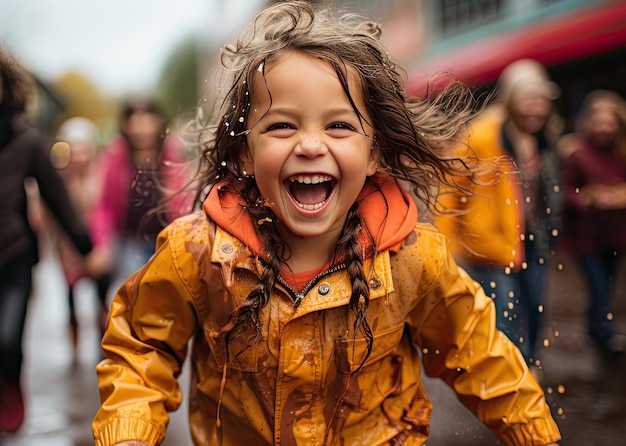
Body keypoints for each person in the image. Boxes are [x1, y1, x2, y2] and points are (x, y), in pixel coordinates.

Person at [92, 3, 561, 445]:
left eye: (339, 125)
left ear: (374, 150)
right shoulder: (195, 253)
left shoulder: (413, 257)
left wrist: (535, 432)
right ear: (244, 154)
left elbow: (476, 353)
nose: (311, 145)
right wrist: (129, 428)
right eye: (281, 126)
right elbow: (142, 348)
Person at [436, 58, 563, 369]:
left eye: (541, 100)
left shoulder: (547, 136)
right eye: (528, 99)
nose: (535, 107)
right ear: (511, 99)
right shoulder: (481, 135)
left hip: (533, 241)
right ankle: (509, 374)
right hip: (489, 245)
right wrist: (447, 244)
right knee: (506, 313)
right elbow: (450, 187)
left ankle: (528, 364)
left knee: (536, 305)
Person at [0, 46, 93, 433]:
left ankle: (9, 385)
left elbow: (57, 196)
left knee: (7, 338)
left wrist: (85, 245)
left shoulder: (27, 139)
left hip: (14, 255)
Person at [87, 98, 194, 310]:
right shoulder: (116, 156)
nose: (141, 128)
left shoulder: (172, 155)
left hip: (164, 242)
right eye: (135, 121)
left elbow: (184, 201)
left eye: (147, 120)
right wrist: (101, 245)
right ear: (126, 125)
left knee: (163, 303)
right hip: (128, 242)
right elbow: (104, 207)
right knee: (134, 298)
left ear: (158, 122)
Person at [559, 89, 626, 360]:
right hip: (586, 239)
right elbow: (565, 191)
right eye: (599, 122)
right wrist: (585, 198)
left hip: (617, 235)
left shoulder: (621, 152)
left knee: (608, 286)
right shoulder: (577, 155)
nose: (604, 129)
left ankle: (596, 326)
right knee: (598, 286)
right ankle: (604, 335)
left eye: (609, 123)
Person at [51, 117, 112, 359]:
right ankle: (74, 331)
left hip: (98, 243)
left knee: (101, 293)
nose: (78, 156)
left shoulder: (101, 174)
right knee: (70, 294)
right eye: (74, 150)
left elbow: (108, 211)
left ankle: (102, 336)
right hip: (68, 247)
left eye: (83, 150)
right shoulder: (59, 178)